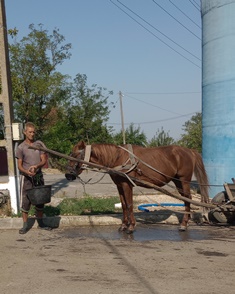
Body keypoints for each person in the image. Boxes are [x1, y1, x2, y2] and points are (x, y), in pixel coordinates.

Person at [16, 122, 52, 234]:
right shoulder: (21, 147)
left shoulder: (38, 145)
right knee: (26, 202)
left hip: (38, 176)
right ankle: (25, 225)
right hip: (26, 178)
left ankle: (41, 223)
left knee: (40, 200)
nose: (32, 134)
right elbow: (19, 166)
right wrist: (27, 171)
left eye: (33, 132)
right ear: (25, 132)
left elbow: (43, 160)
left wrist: (36, 166)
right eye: (30, 132)